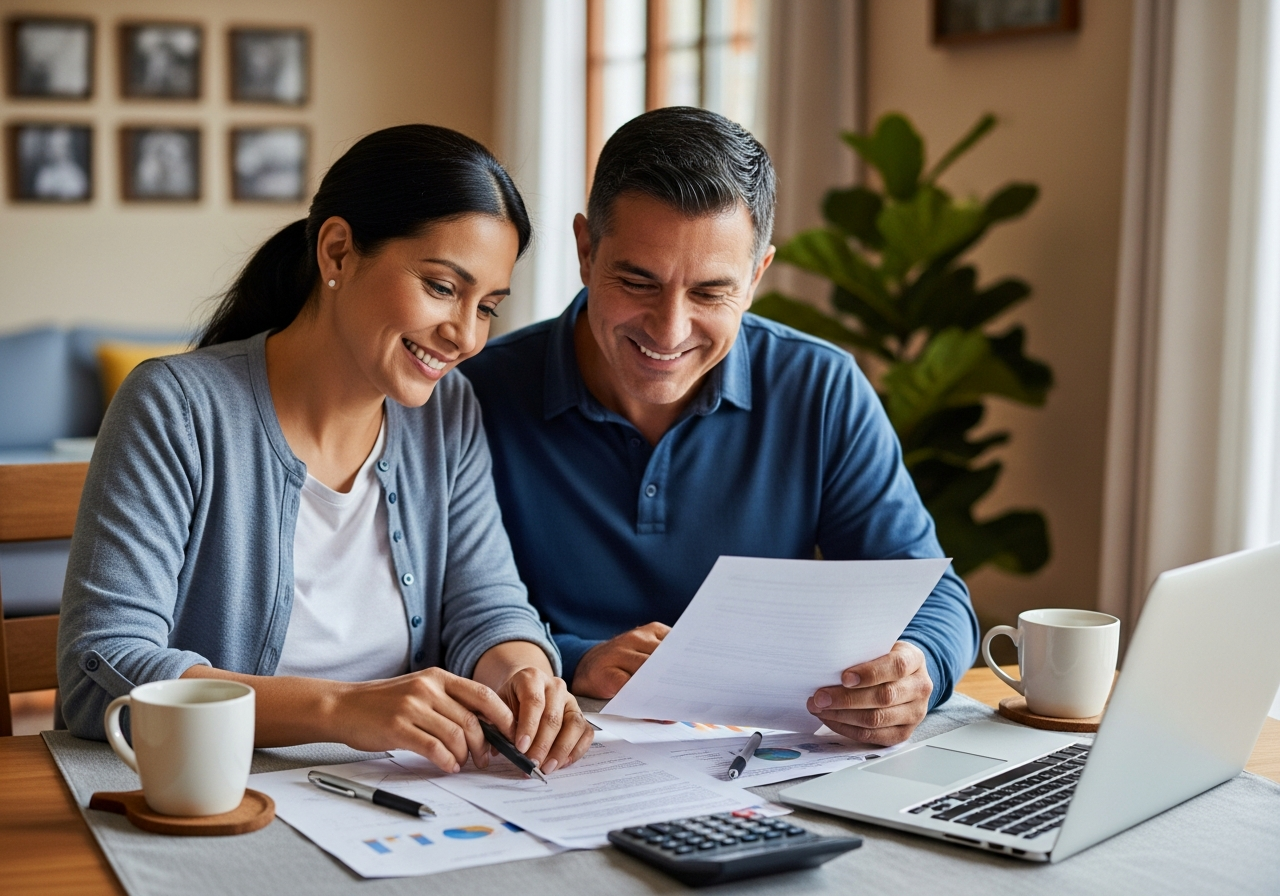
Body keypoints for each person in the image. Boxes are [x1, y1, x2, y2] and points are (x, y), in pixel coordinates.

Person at [58, 125, 593, 776]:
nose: (465, 336)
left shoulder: (447, 413)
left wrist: (527, 674)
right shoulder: (177, 406)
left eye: (488, 307)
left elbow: (487, 603)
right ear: (337, 252)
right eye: (443, 288)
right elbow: (100, 674)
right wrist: (345, 709)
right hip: (220, 799)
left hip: (399, 798)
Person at [460, 108, 980, 747]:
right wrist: (575, 657)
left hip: (759, 764)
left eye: (710, 293)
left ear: (757, 277)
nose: (668, 330)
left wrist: (915, 667)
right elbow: (438, 618)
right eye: (637, 282)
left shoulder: (819, 389)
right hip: (557, 758)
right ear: (586, 251)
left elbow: (935, 596)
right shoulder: (474, 395)